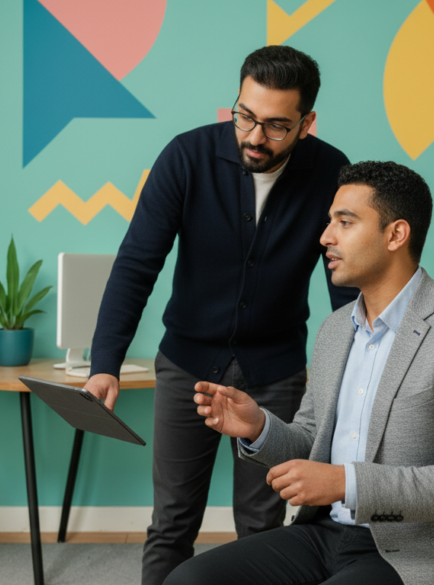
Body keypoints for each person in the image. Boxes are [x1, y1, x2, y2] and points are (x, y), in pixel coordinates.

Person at [167, 161, 434, 585]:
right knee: (190, 580)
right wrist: (258, 427)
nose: (325, 237)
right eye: (330, 221)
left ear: (396, 235)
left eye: (344, 223)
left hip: (416, 547)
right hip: (326, 532)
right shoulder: (335, 329)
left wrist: (346, 482)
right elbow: (312, 441)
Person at [84, 46, 357, 585]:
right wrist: (104, 363)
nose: (254, 136)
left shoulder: (332, 172)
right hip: (186, 366)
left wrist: (352, 381)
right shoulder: (186, 157)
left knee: (261, 528)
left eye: (276, 126)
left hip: (275, 374)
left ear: (306, 123)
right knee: (172, 522)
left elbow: (345, 287)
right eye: (244, 116)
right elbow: (137, 263)